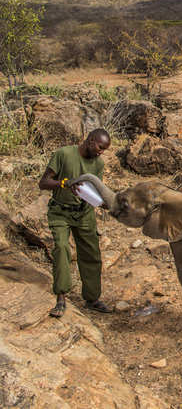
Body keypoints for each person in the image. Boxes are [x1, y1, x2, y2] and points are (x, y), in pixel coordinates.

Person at [39, 128, 113, 317]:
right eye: (100, 146)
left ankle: (92, 299)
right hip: (60, 212)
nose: (101, 151)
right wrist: (64, 184)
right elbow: (44, 182)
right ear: (89, 140)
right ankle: (61, 297)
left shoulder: (98, 164)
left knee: (91, 254)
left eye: (104, 149)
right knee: (62, 248)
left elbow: (96, 190)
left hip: (84, 214)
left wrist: (104, 203)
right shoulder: (64, 154)